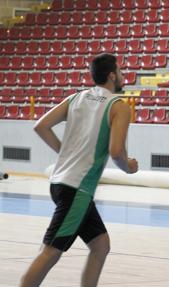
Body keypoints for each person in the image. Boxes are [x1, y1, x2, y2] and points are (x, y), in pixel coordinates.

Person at [20, 53, 138, 287]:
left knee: (100, 245)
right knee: (50, 252)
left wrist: (64, 152)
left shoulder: (76, 98)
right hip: (78, 189)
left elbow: (41, 126)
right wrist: (129, 167)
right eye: (121, 71)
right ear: (112, 76)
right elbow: (116, 152)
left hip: (60, 183)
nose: (124, 76)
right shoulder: (119, 107)